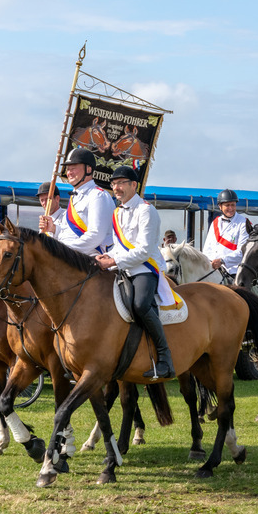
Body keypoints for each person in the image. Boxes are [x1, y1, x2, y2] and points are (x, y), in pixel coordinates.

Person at [95, 165, 174, 380]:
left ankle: (165, 358)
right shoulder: (116, 212)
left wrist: (114, 260)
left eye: (121, 183)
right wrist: (106, 257)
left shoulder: (146, 210)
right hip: (123, 267)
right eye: (113, 184)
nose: (116, 188)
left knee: (140, 305)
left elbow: (144, 250)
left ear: (134, 185)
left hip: (144, 268)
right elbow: (120, 247)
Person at [38, 148, 114, 255]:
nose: (69, 173)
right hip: (74, 258)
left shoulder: (98, 196)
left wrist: (64, 250)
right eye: (68, 169)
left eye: (73, 168)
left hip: (91, 258)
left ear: (88, 169)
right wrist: (54, 229)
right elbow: (70, 233)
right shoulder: (75, 196)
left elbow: (96, 235)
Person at [201, 189, 251, 278]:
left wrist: (222, 261)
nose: (231, 208)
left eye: (233, 205)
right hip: (213, 270)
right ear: (220, 206)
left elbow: (242, 251)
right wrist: (209, 263)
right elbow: (207, 248)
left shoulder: (243, 223)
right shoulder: (215, 223)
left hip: (233, 271)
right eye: (227, 205)